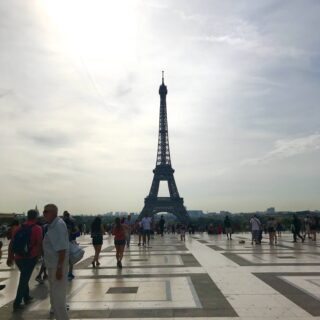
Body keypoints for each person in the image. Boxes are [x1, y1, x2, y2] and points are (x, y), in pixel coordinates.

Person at [7, 209, 43, 311]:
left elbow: (12, 243)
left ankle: (26, 297)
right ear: (36, 217)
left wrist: (10, 256)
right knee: (24, 280)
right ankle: (17, 303)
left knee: (24, 277)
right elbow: (39, 243)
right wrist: (39, 256)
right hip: (30, 257)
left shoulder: (18, 228)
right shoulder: (37, 228)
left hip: (18, 257)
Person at [43, 204, 69, 320]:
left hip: (57, 266)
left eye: (46, 212)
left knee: (58, 297)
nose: (43, 214)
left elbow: (62, 249)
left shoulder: (58, 226)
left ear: (53, 213)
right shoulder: (53, 225)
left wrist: (59, 268)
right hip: (53, 265)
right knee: (55, 295)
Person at [63, 211, 78, 280]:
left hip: (62, 242)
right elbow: (76, 231)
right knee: (71, 258)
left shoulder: (62, 222)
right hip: (70, 241)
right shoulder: (72, 222)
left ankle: (64, 272)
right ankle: (70, 273)